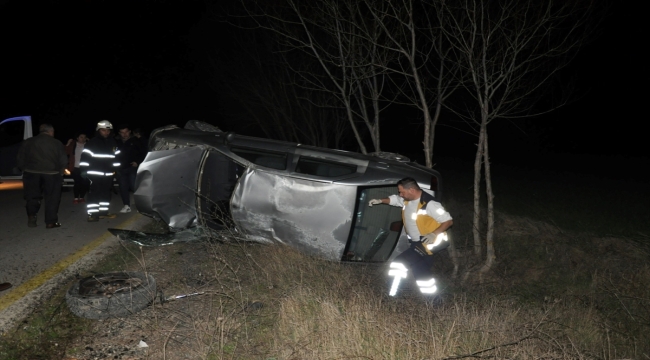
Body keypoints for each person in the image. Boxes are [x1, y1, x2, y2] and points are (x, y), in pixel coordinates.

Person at [367, 177, 453, 296]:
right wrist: (380, 200)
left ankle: (392, 295)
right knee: (421, 272)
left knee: (398, 264)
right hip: (415, 242)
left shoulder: (430, 204)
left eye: (402, 192)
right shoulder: (407, 200)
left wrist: (434, 234)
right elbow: (395, 200)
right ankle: (434, 302)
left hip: (427, 242)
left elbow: (448, 221)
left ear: (412, 190)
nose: (400, 194)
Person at [16, 123, 67, 229]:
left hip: (31, 173)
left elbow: (20, 157)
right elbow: (63, 160)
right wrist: (61, 172)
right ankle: (50, 222)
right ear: (51, 132)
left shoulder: (28, 142)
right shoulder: (56, 143)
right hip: (51, 174)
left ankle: (31, 216)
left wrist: (24, 169)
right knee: (52, 198)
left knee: (32, 196)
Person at [80, 120, 119, 222]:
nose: (106, 132)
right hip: (95, 174)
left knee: (106, 193)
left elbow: (116, 158)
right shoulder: (92, 143)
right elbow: (85, 158)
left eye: (108, 130)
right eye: (103, 130)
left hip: (108, 174)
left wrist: (117, 170)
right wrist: (83, 170)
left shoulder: (113, 142)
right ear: (98, 131)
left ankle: (103, 213)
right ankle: (92, 214)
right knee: (94, 194)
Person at [115, 124, 146, 213]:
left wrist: (138, 162)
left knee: (134, 186)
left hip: (132, 168)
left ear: (129, 132)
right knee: (123, 187)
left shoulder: (136, 141)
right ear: (119, 133)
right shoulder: (117, 142)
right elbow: (114, 155)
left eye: (126, 132)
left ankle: (141, 206)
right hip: (121, 169)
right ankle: (126, 206)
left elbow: (143, 153)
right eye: (122, 132)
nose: (125, 134)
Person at [65, 133, 90, 204]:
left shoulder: (88, 145)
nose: (83, 139)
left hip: (85, 167)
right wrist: (68, 143)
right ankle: (76, 198)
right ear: (77, 138)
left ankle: (82, 197)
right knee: (77, 182)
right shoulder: (73, 145)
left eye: (84, 137)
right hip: (75, 167)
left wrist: (90, 141)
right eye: (81, 137)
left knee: (84, 183)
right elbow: (65, 151)